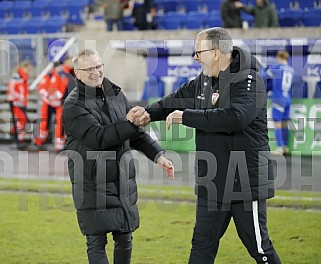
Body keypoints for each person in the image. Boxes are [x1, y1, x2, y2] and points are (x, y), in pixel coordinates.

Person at [128, 27, 281, 263]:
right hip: (212, 182)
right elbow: (175, 100)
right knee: (201, 246)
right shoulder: (204, 80)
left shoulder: (250, 81)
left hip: (245, 182)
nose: (195, 57)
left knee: (259, 249)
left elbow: (235, 117)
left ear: (217, 53)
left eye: (198, 52)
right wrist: (148, 113)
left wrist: (185, 116)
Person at [62, 49, 174, 264]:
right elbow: (99, 138)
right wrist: (130, 123)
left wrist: (158, 155)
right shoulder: (73, 105)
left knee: (125, 237)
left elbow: (135, 133)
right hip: (92, 182)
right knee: (96, 242)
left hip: (122, 179)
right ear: (77, 74)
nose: (96, 72)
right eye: (89, 68)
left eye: (99, 66)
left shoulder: (114, 92)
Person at [260, 50, 294, 155]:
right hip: (287, 97)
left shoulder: (277, 67)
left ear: (279, 57)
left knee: (278, 123)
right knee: (285, 123)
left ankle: (280, 147)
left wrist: (263, 67)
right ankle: (286, 146)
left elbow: (263, 76)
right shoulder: (291, 69)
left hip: (279, 98)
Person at [34, 61, 68, 151]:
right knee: (44, 124)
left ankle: (59, 146)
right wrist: (48, 94)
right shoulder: (48, 76)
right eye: (59, 67)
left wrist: (59, 95)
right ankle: (39, 142)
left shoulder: (64, 76)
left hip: (58, 104)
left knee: (60, 124)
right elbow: (41, 88)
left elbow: (64, 90)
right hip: (48, 103)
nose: (61, 69)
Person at [6, 60, 33, 150]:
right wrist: (18, 97)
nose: (29, 70)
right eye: (28, 68)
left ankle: (19, 140)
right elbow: (12, 88)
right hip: (15, 102)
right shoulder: (17, 76)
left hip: (21, 102)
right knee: (20, 121)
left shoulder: (24, 77)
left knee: (22, 121)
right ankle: (18, 140)